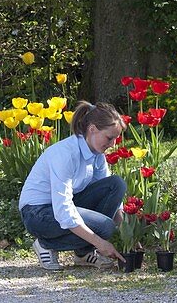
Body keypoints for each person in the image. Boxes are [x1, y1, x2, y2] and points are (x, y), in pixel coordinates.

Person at [19, 100, 128, 271]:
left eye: (116, 138)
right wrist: (100, 242)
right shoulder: (65, 154)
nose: (113, 144)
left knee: (116, 184)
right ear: (92, 129)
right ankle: (45, 244)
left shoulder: (97, 155)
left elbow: (109, 196)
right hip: (37, 213)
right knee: (105, 227)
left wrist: (129, 234)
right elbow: (64, 210)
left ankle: (83, 253)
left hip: (63, 206)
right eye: (109, 137)